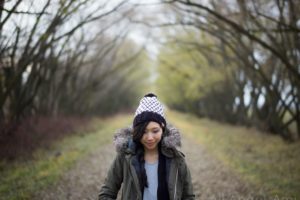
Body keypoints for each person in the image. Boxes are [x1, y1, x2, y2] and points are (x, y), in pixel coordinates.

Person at [98, 93, 195, 200]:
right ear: (136, 131)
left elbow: (188, 196)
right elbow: (107, 193)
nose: (150, 137)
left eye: (155, 131)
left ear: (162, 128)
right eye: (144, 131)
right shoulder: (125, 156)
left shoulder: (177, 159)